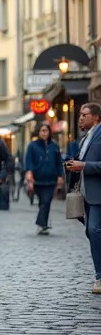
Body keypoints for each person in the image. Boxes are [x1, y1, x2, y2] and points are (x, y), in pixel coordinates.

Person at [65, 102, 101, 293]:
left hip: (98, 193)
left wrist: (84, 165)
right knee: (90, 231)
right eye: (80, 114)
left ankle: (100, 278)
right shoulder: (85, 137)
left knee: (94, 230)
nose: (80, 118)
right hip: (87, 193)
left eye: (84, 115)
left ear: (95, 117)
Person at [24, 122, 65, 235]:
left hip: (51, 180)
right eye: (42, 131)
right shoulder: (32, 146)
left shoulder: (54, 146)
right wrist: (29, 173)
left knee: (46, 201)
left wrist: (60, 176)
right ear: (38, 132)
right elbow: (29, 160)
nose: (44, 133)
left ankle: (41, 224)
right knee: (43, 202)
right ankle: (43, 224)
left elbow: (58, 162)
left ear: (49, 132)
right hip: (37, 179)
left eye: (46, 131)